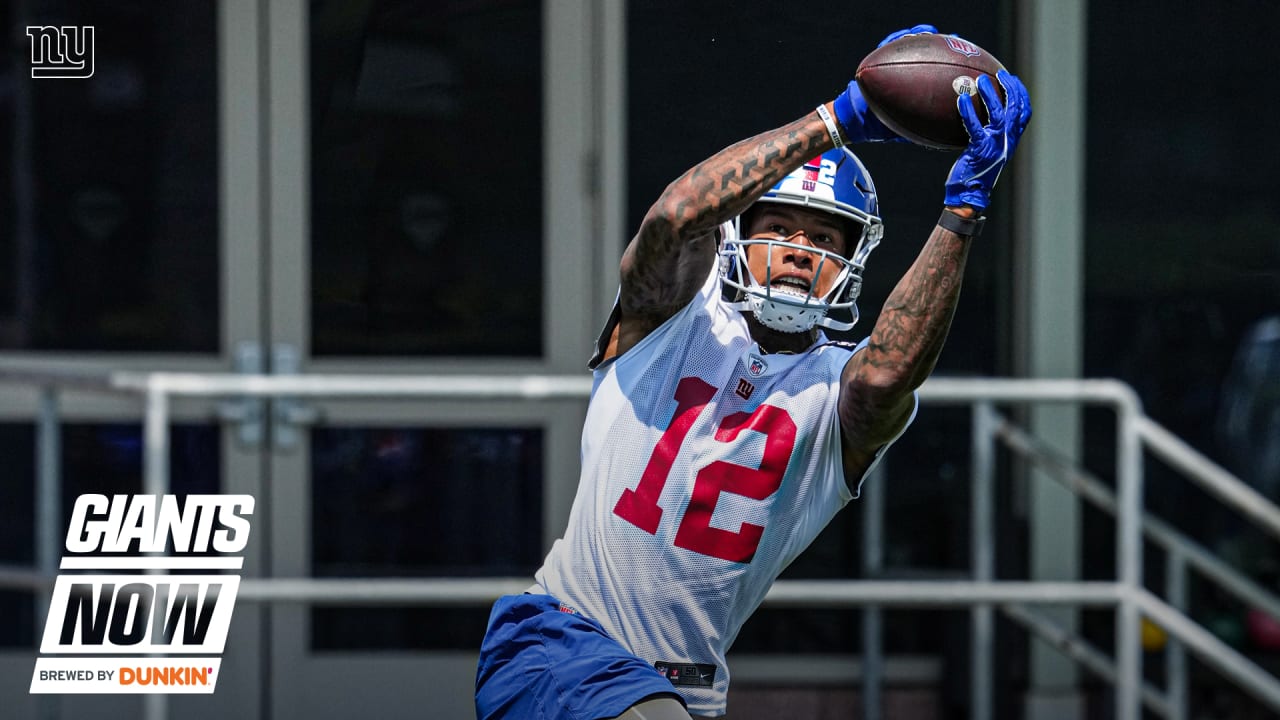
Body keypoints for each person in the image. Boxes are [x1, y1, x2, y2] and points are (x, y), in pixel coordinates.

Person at [476, 24, 1032, 720]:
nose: (800, 251)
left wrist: (964, 209)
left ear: (854, 259)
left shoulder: (836, 387)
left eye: (825, 238)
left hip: (687, 687)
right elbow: (676, 217)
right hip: (563, 641)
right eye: (781, 229)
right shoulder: (677, 319)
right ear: (739, 234)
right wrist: (837, 122)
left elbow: (889, 377)